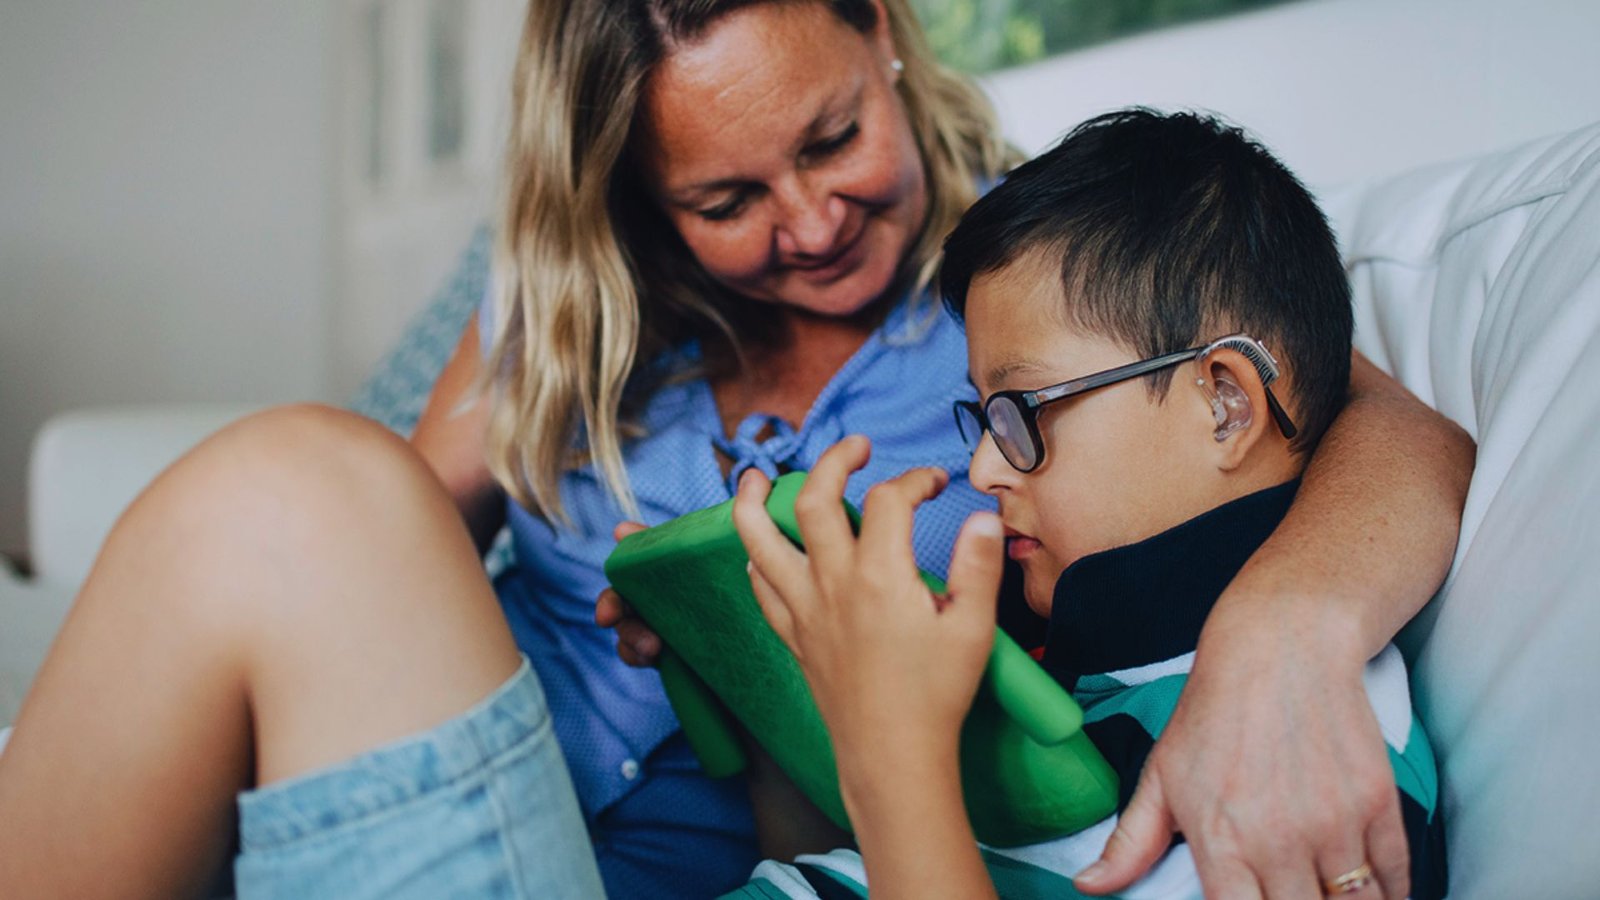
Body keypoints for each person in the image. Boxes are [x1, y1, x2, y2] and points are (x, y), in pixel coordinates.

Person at [0, 0, 1471, 897]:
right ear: (634, 190)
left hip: (661, 864)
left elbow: (1344, 404)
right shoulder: (573, 309)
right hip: (434, 793)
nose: (811, 223)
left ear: (882, 34)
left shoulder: (1042, 278)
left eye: (831, 140)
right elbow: (379, 549)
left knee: (293, 498)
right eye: (725, 197)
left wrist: (1287, 627)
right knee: (306, 498)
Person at [724, 109, 1447, 899]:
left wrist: (892, 748)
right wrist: (769, 675)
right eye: (985, 416)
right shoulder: (1089, 659)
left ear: (1226, 406)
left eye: (1023, 412)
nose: (983, 469)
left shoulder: (1290, 747)